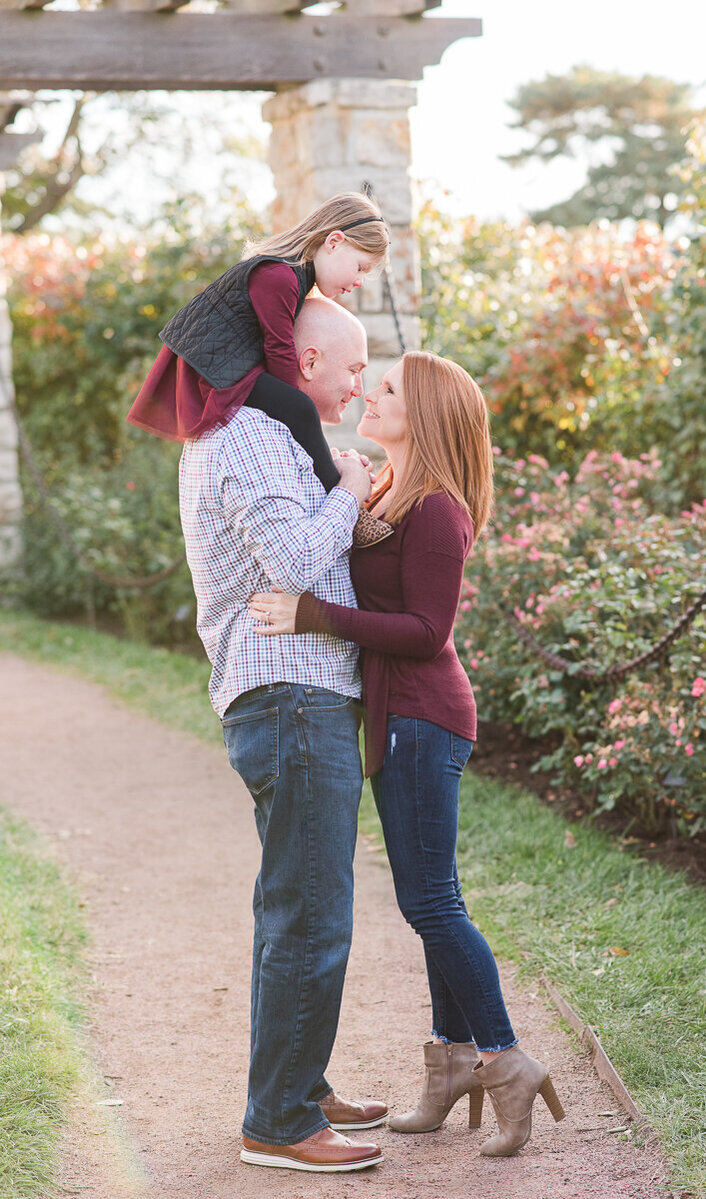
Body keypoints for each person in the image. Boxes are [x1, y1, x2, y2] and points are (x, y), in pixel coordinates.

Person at [247, 351, 567, 1158]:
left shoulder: (436, 510)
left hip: (424, 718)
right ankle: (451, 1060)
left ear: (422, 415)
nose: (368, 392)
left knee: (431, 904)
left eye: (385, 388)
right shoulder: (393, 494)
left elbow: (429, 632)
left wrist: (312, 613)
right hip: (399, 719)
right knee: (429, 901)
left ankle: (503, 1057)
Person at [179, 295, 387, 1173]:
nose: (360, 382)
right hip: (291, 696)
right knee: (310, 913)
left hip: (292, 694)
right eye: (351, 365)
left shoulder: (254, 431)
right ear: (302, 361)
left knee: (292, 906)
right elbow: (299, 565)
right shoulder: (252, 438)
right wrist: (347, 489)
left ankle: (298, 1082)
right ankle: (279, 1122)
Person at [128, 190, 392, 545]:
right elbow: (278, 348)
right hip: (216, 366)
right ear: (334, 241)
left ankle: (324, 475)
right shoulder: (279, 276)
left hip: (231, 362)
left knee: (295, 410)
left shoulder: (294, 277)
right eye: (360, 267)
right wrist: (292, 402)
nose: (359, 281)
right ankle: (343, 497)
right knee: (299, 408)